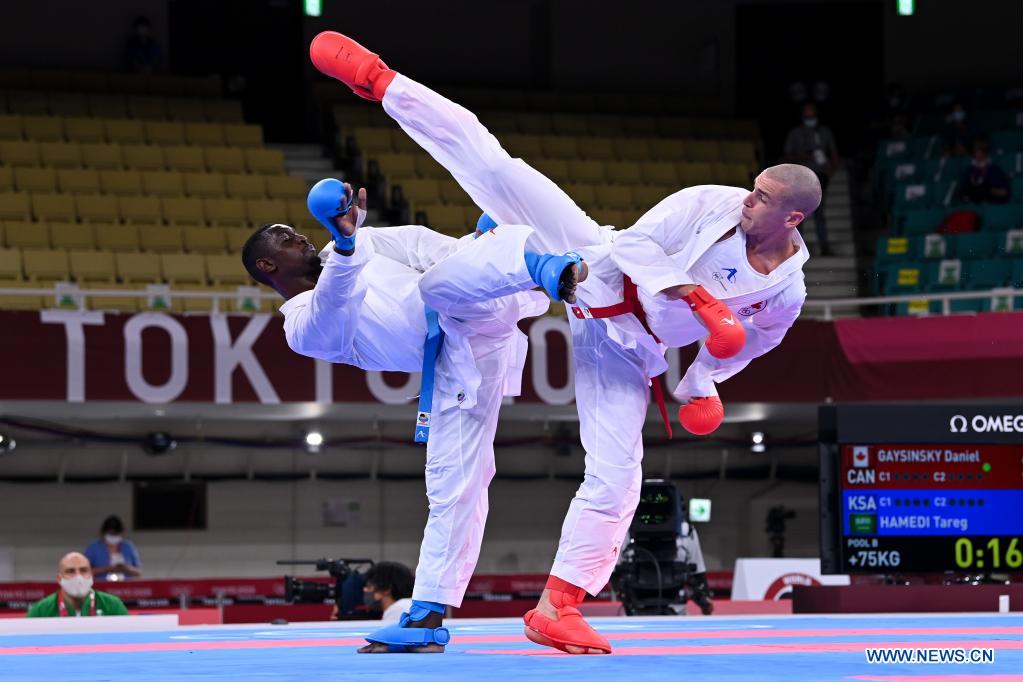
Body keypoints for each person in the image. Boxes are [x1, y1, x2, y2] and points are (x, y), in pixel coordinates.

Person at [309, 30, 817, 654]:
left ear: (792, 218)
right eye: (753, 187)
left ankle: (557, 606)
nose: (748, 199)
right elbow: (636, 245)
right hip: (597, 267)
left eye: (762, 197)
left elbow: (754, 342)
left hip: (626, 349)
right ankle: (381, 81)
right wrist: (697, 298)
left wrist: (703, 383)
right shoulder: (713, 203)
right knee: (495, 168)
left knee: (619, 479)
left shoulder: (787, 291)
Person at [241, 181, 584, 653]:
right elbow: (334, 305)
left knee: (445, 273)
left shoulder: (359, 242)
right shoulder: (301, 326)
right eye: (286, 238)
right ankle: (426, 616)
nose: (301, 236)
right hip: (458, 364)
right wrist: (346, 247)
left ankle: (542, 265)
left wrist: (468, 250)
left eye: (297, 231)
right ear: (267, 265)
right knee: (453, 487)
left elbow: (421, 245)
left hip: (477, 300)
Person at [783, 102, 838, 256]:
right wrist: (803, 156)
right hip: (800, 179)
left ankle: (824, 247)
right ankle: (797, 249)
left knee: (819, 213)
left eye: (812, 116)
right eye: (807, 117)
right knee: (798, 215)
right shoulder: (795, 133)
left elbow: (834, 154)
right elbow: (787, 156)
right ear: (802, 117)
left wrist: (830, 172)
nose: (810, 119)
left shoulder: (824, 132)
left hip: (819, 178)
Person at [26, 552, 128, 617]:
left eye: (84, 570)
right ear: (59, 579)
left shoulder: (113, 605)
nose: (78, 576)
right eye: (70, 571)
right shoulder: (40, 610)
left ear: (92, 576)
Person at [84, 515, 142, 581]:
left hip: (126, 584)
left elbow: (138, 572)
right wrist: (106, 569)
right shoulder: (93, 548)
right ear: (103, 533)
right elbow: (84, 572)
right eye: (111, 534)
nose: (113, 536)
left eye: (116, 534)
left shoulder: (128, 547)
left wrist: (126, 568)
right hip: (101, 584)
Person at [959, 139, 1010, 204]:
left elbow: (1004, 192)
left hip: (991, 202)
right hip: (973, 203)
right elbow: (963, 192)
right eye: (975, 152)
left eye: (980, 152)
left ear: (985, 154)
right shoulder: (969, 170)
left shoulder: (995, 170)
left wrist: (988, 190)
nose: (977, 155)